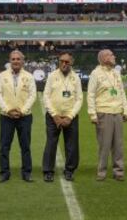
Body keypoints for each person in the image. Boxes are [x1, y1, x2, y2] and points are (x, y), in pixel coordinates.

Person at [87, 49, 127, 181]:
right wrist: (92, 114)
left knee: (118, 145)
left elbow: (121, 92)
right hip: (103, 112)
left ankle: (119, 172)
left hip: (117, 112)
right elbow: (91, 94)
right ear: (104, 58)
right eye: (111, 55)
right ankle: (101, 171)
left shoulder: (116, 73)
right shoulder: (96, 73)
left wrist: (126, 109)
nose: (114, 57)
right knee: (104, 145)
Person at [0, 50, 37, 183]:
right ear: (10, 60)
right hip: (6, 116)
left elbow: (32, 95)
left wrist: (22, 111)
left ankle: (26, 173)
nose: (16, 61)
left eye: (18, 59)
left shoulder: (29, 76)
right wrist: (8, 110)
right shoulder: (2, 76)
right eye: (13, 59)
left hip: (24, 117)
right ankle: (4, 173)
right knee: (4, 146)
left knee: (25, 146)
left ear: (22, 61)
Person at [42, 52, 83, 182]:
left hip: (70, 116)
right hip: (53, 116)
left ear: (71, 62)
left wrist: (70, 116)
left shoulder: (75, 78)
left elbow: (79, 99)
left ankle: (69, 170)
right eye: (61, 61)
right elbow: (46, 96)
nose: (64, 64)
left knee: (72, 145)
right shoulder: (52, 76)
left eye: (67, 62)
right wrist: (54, 115)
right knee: (51, 143)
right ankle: (48, 171)